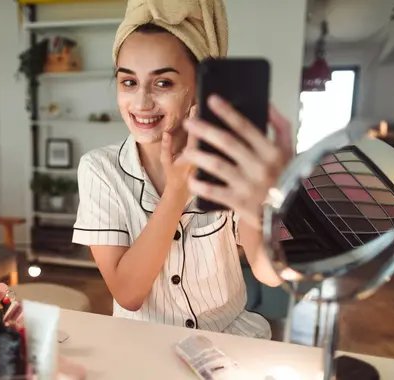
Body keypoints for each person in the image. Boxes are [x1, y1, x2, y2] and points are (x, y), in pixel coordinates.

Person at [72, 0, 293, 339]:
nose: (142, 103)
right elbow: (128, 294)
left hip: (229, 341)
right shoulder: (100, 170)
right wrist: (176, 193)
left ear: (201, 88)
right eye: (128, 82)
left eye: (163, 83)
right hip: (142, 346)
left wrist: (262, 199)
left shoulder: (231, 164)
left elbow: (270, 274)